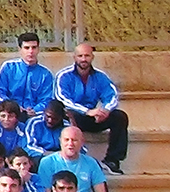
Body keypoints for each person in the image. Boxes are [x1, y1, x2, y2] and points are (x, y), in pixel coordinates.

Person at [54, 43, 130, 175]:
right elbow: (61, 98)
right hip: (74, 116)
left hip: (94, 117)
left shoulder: (100, 76)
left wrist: (105, 110)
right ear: (74, 57)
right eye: (80, 56)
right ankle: (73, 161)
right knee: (70, 115)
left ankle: (112, 160)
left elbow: (112, 95)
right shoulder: (64, 76)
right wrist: (86, 111)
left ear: (92, 57)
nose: (83, 59)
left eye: (87, 55)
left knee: (119, 117)